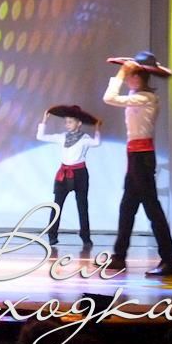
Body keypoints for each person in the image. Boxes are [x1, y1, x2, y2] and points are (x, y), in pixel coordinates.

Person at [102, 51, 172, 276]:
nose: (126, 78)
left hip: (142, 158)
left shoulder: (146, 98)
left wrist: (120, 73)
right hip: (136, 155)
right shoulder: (137, 95)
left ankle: (168, 261)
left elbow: (109, 98)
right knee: (127, 208)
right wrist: (125, 70)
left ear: (137, 77)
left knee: (152, 209)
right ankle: (119, 256)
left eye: (129, 75)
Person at [36, 106, 101, 248]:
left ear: (79, 123)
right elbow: (40, 137)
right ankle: (52, 235)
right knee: (57, 205)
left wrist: (97, 129)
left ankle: (85, 236)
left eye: (70, 122)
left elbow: (96, 143)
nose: (67, 124)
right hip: (64, 174)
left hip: (80, 174)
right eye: (66, 122)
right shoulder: (62, 137)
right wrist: (44, 121)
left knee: (82, 206)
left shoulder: (84, 138)